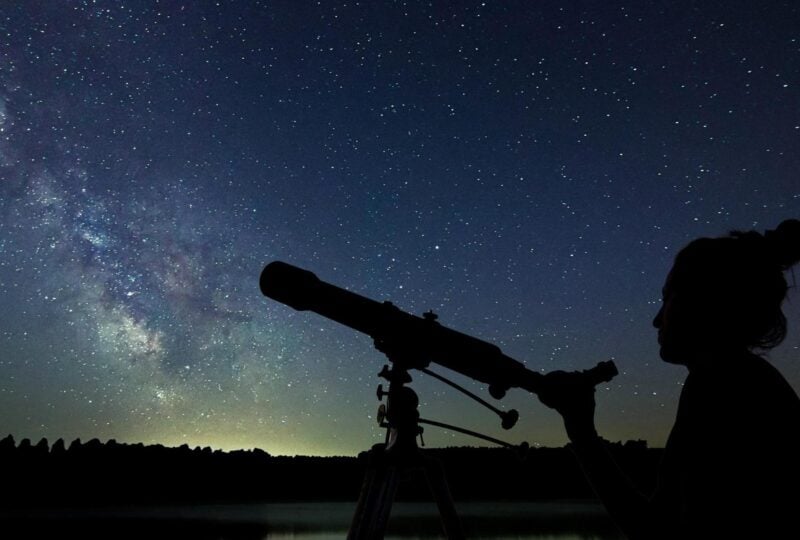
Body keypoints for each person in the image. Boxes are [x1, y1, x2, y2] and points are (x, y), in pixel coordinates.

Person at [537, 219, 800, 539]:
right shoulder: (739, 380)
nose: (656, 320)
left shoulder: (722, 388)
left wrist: (580, 429)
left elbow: (656, 530)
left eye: (668, 299)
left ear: (707, 300)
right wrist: (580, 428)